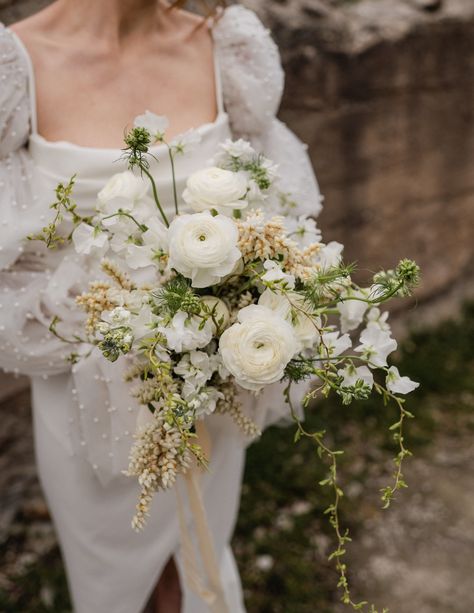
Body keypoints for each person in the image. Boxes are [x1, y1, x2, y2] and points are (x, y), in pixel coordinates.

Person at [0, 1, 322, 611]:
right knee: (114, 583)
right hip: (86, 405)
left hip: (215, 388)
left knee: (198, 556)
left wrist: (251, 293)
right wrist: (94, 314)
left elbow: (280, 201)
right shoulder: (15, 67)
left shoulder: (225, 46)